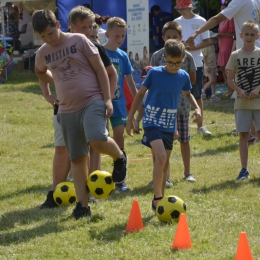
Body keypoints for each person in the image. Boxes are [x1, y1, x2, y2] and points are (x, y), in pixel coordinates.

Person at [33, 9, 127, 219]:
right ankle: (82, 206)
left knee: (96, 139)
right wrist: (53, 81)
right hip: (66, 108)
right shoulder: (43, 52)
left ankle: (119, 157)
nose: (49, 39)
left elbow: (102, 70)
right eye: (43, 37)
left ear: (57, 25)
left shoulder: (78, 40)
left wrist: (107, 99)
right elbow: (39, 71)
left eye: (50, 33)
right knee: (77, 158)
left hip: (91, 100)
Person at [126, 39, 201, 211]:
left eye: (178, 63)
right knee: (160, 157)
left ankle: (162, 196)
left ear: (183, 59)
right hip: (152, 120)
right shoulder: (155, 73)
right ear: (164, 57)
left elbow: (188, 95)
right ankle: (157, 199)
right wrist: (131, 119)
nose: (174, 66)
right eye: (170, 62)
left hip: (169, 123)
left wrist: (197, 109)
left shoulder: (183, 76)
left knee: (164, 162)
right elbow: (139, 95)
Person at [186, 0, 260, 144]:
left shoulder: (241, 1)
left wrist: (197, 32)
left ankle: (252, 134)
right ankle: (252, 133)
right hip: (252, 52)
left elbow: (217, 18)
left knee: (247, 95)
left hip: (249, 55)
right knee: (249, 95)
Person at [150, 21, 198, 183]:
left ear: (181, 37)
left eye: (175, 37)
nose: (171, 39)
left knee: (184, 139)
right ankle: (164, 176)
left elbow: (191, 79)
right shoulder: (157, 56)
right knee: (160, 144)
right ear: (163, 37)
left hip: (182, 106)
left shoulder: (187, 56)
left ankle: (188, 172)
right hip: (161, 109)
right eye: (168, 37)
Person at [104, 17, 138, 192]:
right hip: (101, 104)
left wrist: (138, 104)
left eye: (123, 36)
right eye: (116, 36)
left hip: (119, 105)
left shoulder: (123, 56)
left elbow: (131, 83)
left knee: (119, 140)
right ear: (107, 34)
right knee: (100, 140)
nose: (120, 39)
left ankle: (120, 180)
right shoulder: (100, 52)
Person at [226, 20, 260, 180]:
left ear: (257, 36)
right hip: (242, 102)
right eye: (246, 34)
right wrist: (240, 90)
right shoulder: (235, 55)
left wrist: (256, 90)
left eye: (252, 35)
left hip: (258, 102)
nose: (249, 37)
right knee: (244, 135)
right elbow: (229, 78)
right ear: (241, 35)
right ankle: (244, 169)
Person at [174, 0, 212, 135]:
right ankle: (176, 127)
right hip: (178, 62)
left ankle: (200, 126)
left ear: (191, 7)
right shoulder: (176, 22)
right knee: (176, 95)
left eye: (183, 8)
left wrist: (195, 47)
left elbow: (207, 41)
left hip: (196, 62)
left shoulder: (201, 21)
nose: (181, 11)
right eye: (179, 9)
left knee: (196, 95)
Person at [217, 1, 235, 97]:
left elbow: (233, 34)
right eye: (221, 9)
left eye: (224, 9)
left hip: (228, 44)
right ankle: (229, 90)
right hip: (221, 44)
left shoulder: (230, 18)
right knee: (222, 69)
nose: (222, 10)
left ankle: (232, 91)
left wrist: (221, 34)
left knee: (228, 69)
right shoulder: (221, 20)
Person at [202, 31, 220, 101]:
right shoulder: (206, 47)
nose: (214, 40)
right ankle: (203, 90)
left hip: (213, 66)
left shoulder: (212, 47)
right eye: (212, 38)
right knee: (211, 80)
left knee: (214, 81)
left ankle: (213, 94)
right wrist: (207, 66)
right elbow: (204, 58)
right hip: (208, 67)